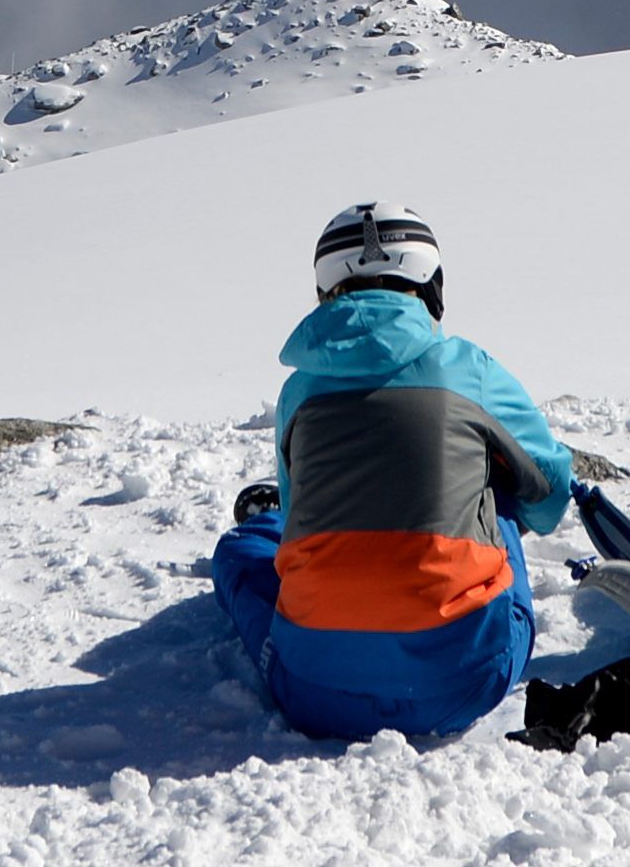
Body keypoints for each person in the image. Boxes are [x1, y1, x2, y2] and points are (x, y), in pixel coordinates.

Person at [209, 201, 574, 739]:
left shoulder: (299, 393)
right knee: (496, 496)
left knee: (242, 552)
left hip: (313, 693)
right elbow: (549, 496)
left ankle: (260, 538)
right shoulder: (470, 371)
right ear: (431, 287)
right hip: (468, 680)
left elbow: (297, 522)